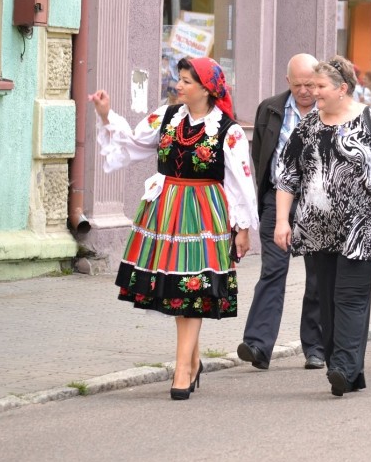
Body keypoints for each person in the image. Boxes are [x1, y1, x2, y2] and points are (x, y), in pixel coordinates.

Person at [89, 57, 258, 400]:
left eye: (186, 81)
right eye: (178, 79)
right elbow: (132, 143)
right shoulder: (166, 116)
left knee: (192, 288)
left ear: (207, 89)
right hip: (165, 210)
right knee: (175, 289)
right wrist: (106, 114)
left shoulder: (229, 130)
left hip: (204, 212)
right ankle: (192, 361)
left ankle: (183, 368)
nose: (178, 86)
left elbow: (241, 182)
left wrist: (242, 227)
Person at [274, 56, 371, 395]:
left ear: (342, 88)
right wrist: (282, 221)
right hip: (318, 227)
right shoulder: (308, 125)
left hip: (364, 226)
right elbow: (287, 176)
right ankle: (351, 371)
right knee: (326, 298)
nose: (313, 93)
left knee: (350, 296)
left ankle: (341, 365)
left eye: (321, 87)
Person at [237, 54, 325, 371]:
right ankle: (259, 345)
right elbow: (260, 155)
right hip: (277, 200)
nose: (304, 91)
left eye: (310, 84)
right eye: (298, 84)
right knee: (272, 271)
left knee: (317, 276)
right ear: (288, 81)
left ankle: (315, 347)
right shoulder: (271, 108)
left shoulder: (330, 108)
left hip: (318, 203)